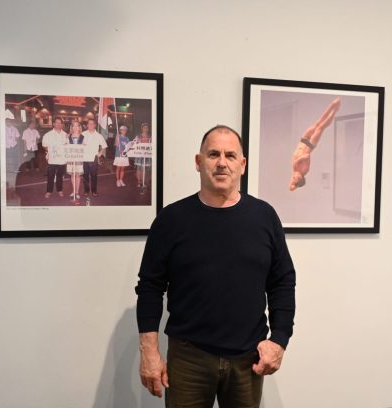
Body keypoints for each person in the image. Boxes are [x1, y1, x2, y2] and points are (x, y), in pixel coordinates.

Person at [135, 125, 296, 408]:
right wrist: (149, 351)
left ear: (242, 164)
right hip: (188, 358)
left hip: (248, 357)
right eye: (213, 154)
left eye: (230, 155)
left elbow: (282, 281)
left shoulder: (265, 217)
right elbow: (150, 287)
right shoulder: (171, 220)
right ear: (198, 162)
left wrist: (279, 339)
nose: (222, 162)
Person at [289, 97, 341, 191]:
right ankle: (335, 111)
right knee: (321, 126)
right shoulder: (305, 170)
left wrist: (294, 184)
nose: (293, 177)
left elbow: (290, 188)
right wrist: (299, 159)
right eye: (295, 178)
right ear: (300, 178)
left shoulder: (295, 169)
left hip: (303, 141)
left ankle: (332, 105)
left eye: (292, 178)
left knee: (317, 123)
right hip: (310, 145)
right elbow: (307, 156)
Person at [42, 117, 68, 198]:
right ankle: (49, 191)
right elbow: (44, 145)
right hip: (52, 159)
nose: (58, 124)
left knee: (60, 176)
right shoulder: (48, 135)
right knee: (50, 176)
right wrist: (48, 152)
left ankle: (59, 190)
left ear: (62, 125)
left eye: (60, 123)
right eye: (57, 122)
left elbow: (67, 146)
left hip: (62, 160)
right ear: (53, 124)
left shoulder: (65, 135)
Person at [82, 118, 108, 197]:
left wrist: (100, 153)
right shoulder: (83, 134)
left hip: (94, 159)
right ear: (87, 125)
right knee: (85, 176)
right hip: (84, 158)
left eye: (92, 123)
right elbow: (78, 145)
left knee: (94, 176)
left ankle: (94, 191)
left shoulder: (98, 135)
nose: (90, 125)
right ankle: (86, 191)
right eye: (89, 123)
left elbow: (104, 146)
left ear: (95, 125)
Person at [66, 120, 85, 199]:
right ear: (72, 127)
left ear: (79, 127)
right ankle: (73, 191)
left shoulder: (82, 137)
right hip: (71, 158)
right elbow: (66, 147)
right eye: (74, 126)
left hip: (79, 158)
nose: (75, 127)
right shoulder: (68, 136)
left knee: (77, 175)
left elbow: (84, 148)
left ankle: (77, 192)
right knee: (72, 175)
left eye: (77, 126)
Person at [134, 122, 152, 189]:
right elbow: (134, 143)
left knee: (146, 169)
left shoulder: (150, 137)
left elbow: (152, 145)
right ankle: (139, 181)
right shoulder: (138, 136)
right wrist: (136, 142)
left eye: (147, 127)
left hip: (147, 155)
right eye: (144, 127)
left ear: (148, 129)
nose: (145, 129)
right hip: (139, 155)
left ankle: (144, 182)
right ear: (142, 128)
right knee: (139, 169)